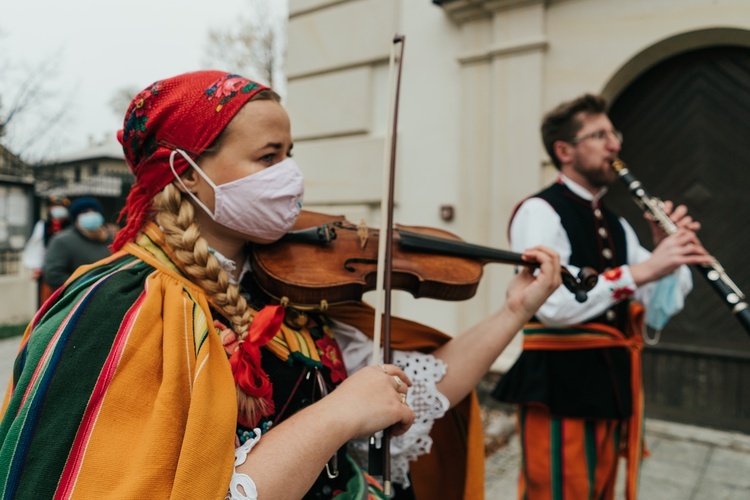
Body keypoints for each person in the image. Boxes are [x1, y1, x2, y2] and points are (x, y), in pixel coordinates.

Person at [0, 70, 562, 500]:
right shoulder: (119, 305)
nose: (290, 176)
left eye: (289, 155)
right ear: (184, 173)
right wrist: (338, 414)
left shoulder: (294, 288)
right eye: (268, 157)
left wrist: (515, 309)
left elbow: (417, 390)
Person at [492, 93, 714, 500]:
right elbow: (552, 303)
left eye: (614, 133)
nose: (614, 144)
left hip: (610, 382)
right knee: (558, 491)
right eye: (599, 135)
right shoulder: (540, 211)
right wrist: (645, 268)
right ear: (565, 151)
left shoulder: (617, 223)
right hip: (559, 385)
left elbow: (655, 311)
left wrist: (666, 251)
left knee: (599, 491)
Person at [41, 196, 113, 293]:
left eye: (94, 211)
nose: (91, 215)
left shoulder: (110, 238)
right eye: (85, 212)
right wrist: (87, 287)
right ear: (76, 218)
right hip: (82, 299)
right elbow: (53, 275)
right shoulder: (62, 241)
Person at [21, 195, 71, 306]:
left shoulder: (71, 226)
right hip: (49, 269)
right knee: (46, 301)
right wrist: (36, 267)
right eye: (54, 206)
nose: (57, 209)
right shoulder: (43, 225)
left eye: (60, 206)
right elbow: (37, 246)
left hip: (69, 269)